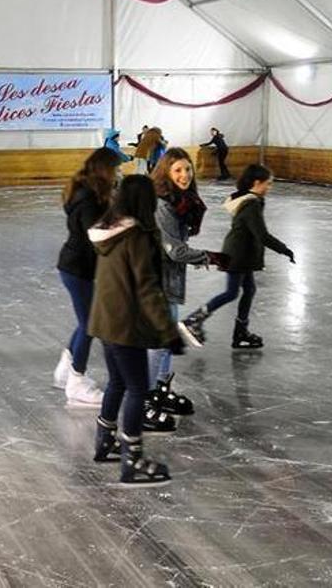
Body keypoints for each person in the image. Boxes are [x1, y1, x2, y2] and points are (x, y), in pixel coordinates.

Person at [87, 174, 179, 487]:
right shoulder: (135, 236)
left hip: (104, 321)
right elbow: (147, 288)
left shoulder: (109, 231)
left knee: (117, 382)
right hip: (126, 324)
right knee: (138, 388)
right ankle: (133, 459)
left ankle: (104, 441)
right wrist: (168, 331)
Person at [146, 148, 225, 424]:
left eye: (188, 169)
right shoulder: (163, 204)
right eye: (177, 170)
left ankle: (160, 390)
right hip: (156, 278)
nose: (184, 175)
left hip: (170, 277)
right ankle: (145, 400)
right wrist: (211, 257)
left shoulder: (179, 200)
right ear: (166, 172)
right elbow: (175, 251)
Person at [182, 164, 294, 349]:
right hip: (238, 255)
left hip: (244, 254)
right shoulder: (251, 204)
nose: (269, 187)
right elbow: (262, 235)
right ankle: (193, 320)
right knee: (231, 293)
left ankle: (240, 332)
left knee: (249, 290)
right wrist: (284, 249)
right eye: (268, 183)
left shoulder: (248, 199)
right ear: (257, 183)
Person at [54, 148, 123, 406]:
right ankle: (76, 381)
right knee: (91, 324)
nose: (118, 174)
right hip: (78, 268)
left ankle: (67, 368)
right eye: (115, 169)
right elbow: (98, 236)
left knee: (87, 320)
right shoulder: (88, 198)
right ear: (104, 169)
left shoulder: (86, 191)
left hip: (77, 266)